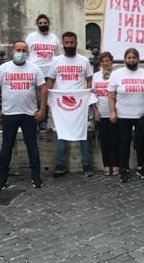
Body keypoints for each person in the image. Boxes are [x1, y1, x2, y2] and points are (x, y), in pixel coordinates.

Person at [0, 41, 48, 190]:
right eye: (18, 50)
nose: (21, 53)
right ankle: (2, 178)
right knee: (6, 146)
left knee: (32, 146)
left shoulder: (34, 68)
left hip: (29, 114)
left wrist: (42, 109)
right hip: (9, 114)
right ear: (13, 50)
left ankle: (36, 176)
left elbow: (43, 89)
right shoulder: (3, 69)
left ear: (28, 52)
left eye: (24, 50)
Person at [47, 31, 94, 177]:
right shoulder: (56, 61)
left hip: (80, 102)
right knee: (62, 132)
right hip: (62, 102)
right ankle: (60, 165)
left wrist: (86, 96)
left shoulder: (84, 61)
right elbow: (51, 80)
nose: (69, 45)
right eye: (66, 43)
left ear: (76, 43)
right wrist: (49, 99)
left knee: (83, 133)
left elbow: (90, 80)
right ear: (63, 44)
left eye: (71, 43)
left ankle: (86, 165)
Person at [108, 48, 144, 183]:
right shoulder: (117, 73)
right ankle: (124, 169)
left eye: (134, 58)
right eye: (129, 58)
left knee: (141, 143)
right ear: (125, 59)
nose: (131, 60)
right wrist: (112, 111)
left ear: (138, 59)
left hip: (141, 114)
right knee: (124, 142)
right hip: (123, 114)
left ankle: (141, 166)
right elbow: (111, 94)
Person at [26, 14, 62, 130]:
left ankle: (43, 121)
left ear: (48, 23)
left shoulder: (54, 38)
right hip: (35, 71)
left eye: (44, 23)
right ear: (37, 24)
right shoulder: (31, 37)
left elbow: (58, 55)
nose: (42, 25)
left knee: (45, 98)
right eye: (40, 23)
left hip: (49, 73)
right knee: (34, 97)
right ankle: (33, 121)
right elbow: (26, 53)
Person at [91, 51, 120, 176]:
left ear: (111, 62)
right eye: (103, 61)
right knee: (104, 141)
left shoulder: (117, 75)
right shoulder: (96, 76)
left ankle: (116, 164)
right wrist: (95, 111)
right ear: (100, 63)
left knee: (115, 140)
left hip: (115, 112)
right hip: (101, 113)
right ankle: (106, 165)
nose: (105, 63)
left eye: (107, 60)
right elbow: (93, 95)